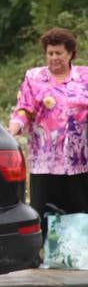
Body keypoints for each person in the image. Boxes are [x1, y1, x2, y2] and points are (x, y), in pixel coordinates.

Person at [8, 27, 88, 236]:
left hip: (77, 161)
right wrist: (13, 129)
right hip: (44, 160)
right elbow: (23, 108)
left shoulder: (84, 77)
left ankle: (77, 255)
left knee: (78, 212)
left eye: (58, 53)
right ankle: (43, 253)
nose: (54, 58)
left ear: (70, 53)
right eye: (50, 53)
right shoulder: (34, 78)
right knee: (43, 212)